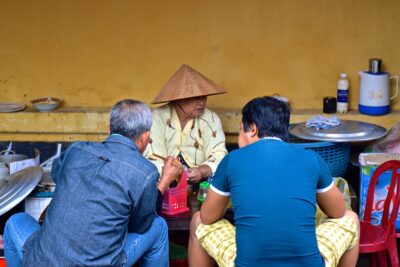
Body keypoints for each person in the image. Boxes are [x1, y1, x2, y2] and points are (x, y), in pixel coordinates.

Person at [3, 99, 182, 267]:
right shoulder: (145, 172)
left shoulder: (76, 149)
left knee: (15, 222)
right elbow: (141, 225)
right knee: (158, 226)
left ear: (108, 129)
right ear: (145, 136)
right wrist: (164, 180)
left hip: (42, 262)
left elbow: (58, 175)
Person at [188, 96, 360, 267]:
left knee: (197, 220)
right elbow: (338, 212)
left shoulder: (232, 160)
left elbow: (207, 217)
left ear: (252, 129)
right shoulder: (311, 158)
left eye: (241, 129)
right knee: (351, 218)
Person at [145, 64, 228, 184]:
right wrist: (174, 173)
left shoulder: (211, 119)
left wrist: (201, 171)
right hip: (164, 182)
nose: (202, 102)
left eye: (204, 97)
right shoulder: (157, 117)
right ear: (178, 99)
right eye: (196, 97)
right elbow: (152, 157)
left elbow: (219, 154)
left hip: (202, 184)